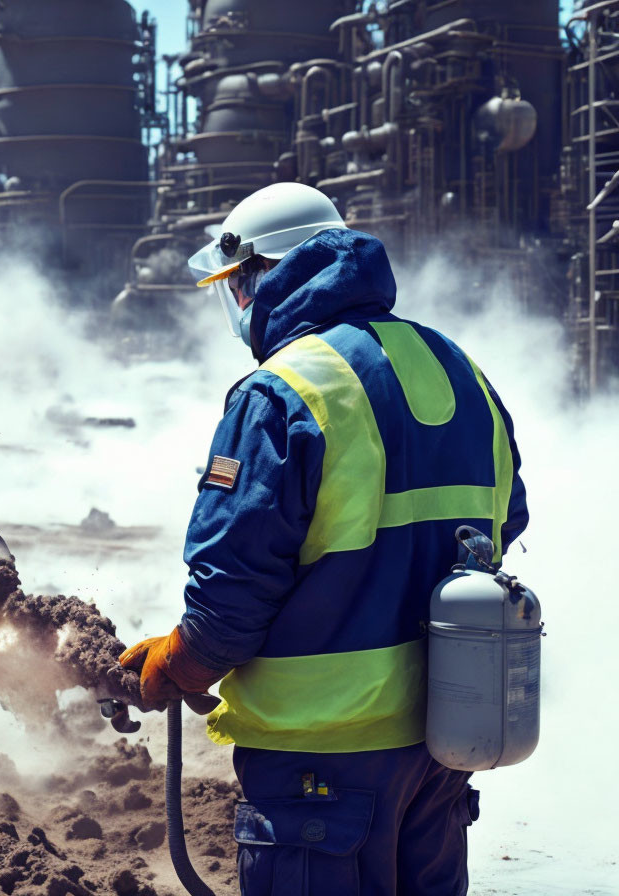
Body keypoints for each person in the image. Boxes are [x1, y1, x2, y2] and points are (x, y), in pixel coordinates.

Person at [120, 182, 528, 895]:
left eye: (237, 287)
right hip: (442, 742)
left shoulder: (281, 391)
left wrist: (185, 660)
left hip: (322, 764)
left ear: (259, 276)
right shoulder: (461, 368)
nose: (239, 307)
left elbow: (233, 588)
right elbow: (506, 519)